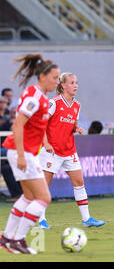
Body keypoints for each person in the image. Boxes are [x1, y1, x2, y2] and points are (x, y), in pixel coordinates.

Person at [0, 53, 60, 255]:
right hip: (21, 152)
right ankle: (18, 239)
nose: (57, 82)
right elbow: (17, 125)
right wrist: (23, 156)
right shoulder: (34, 97)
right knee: (44, 198)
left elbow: (34, 128)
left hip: (24, 151)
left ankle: (7, 238)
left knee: (29, 196)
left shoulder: (39, 95)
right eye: (54, 78)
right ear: (42, 77)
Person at [38, 72, 105, 229]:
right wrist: (46, 143)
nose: (76, 85)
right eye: (72, 82)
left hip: (69, 150)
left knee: (79, 182)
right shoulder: (54, 103)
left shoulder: (77, 105)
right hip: (51, 151)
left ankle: (86, 219)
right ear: (63, 86)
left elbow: (71, 123)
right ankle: (40, 219)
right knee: (43, 186)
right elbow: (41, 123)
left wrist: (77, 128)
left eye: (76, 82)